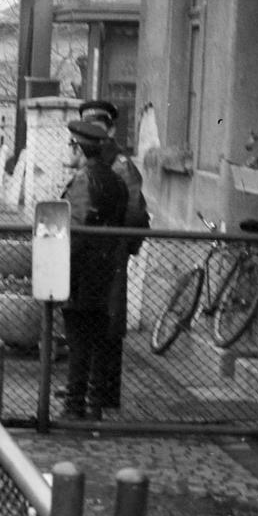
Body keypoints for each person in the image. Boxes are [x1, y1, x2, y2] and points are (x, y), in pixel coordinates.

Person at [78, 99, 150, 410]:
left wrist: (119, 246)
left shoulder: (121, 165)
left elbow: (136, 215)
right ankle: (95, 390)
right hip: (94, 254)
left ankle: (105, 393)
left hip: (110, 252)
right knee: (96, 320)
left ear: (109, 128)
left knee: (109, 322)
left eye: (98, 127)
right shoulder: (96, 161)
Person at [60, 114, 128, 421]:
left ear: (78, 148)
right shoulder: (116, 180)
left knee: (77, 341)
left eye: (70, 146)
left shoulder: (83, 181)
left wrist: (63, 267)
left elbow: (77, 228)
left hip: (80, 273)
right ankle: (95, 401)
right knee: (99, 339)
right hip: (107, 272)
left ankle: (74, 405)